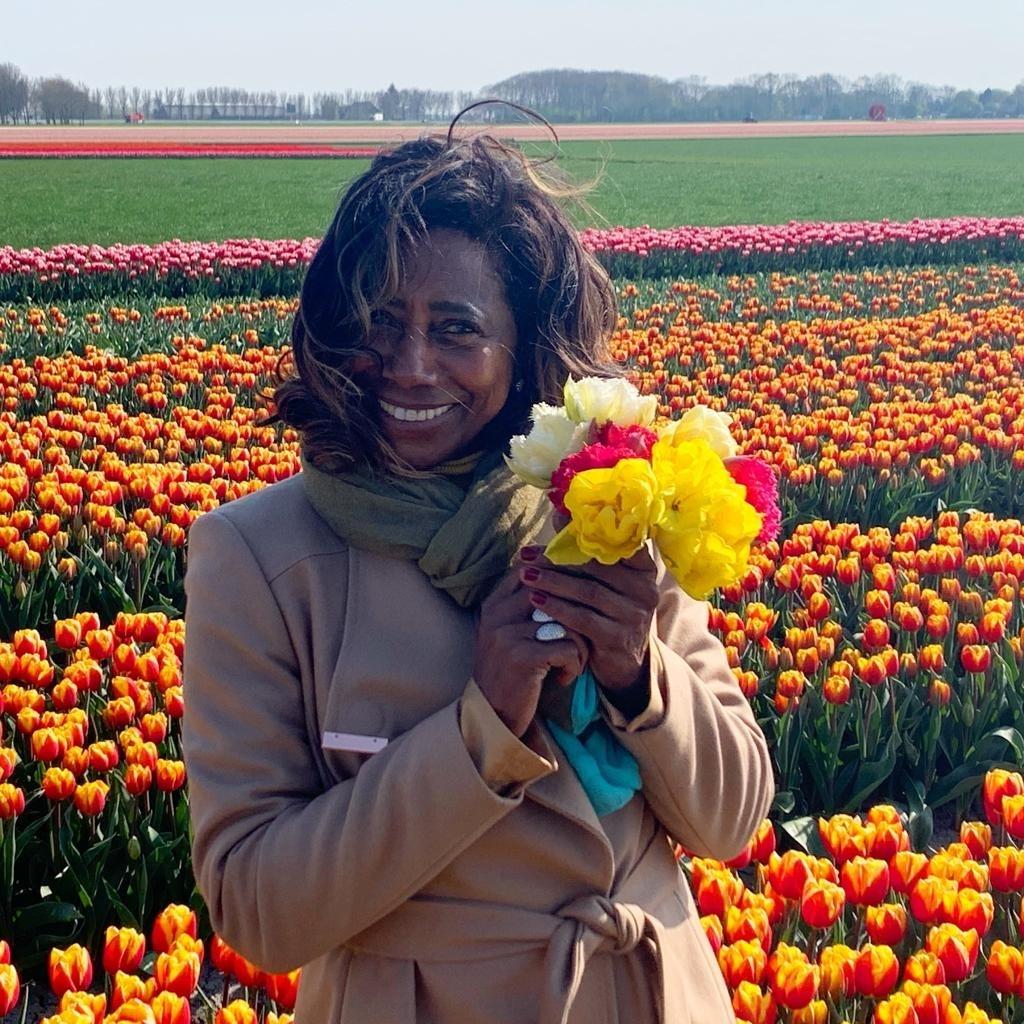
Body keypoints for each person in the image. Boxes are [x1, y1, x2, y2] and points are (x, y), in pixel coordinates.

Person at [182, 117, 774, 1024]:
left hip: (643, 991)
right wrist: (480, 733)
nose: (412, 368)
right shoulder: (261, 556)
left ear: (522, 345)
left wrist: (637, 674)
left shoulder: (609, 506)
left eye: (456, 330)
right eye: (380, 325)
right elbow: (259, 909)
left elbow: (731, 819)